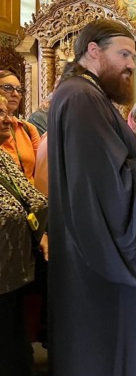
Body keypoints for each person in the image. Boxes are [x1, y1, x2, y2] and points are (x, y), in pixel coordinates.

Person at [47, 19, 136, 375]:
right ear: (93, 50)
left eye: (132, 57)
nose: (129, 64)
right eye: (123, 54)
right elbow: (104, 184)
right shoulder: (81, 97)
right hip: (94, 257)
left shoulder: (85, 93)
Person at [0, 96, 48, 376]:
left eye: (8, 112)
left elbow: (35, 200)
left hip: (15, 274)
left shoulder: (3, 158)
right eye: (0, 113)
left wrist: (42, 231)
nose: (9, 119)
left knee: (16, 349)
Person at [0, 70, 40, 181]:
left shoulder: (28, 129)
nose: (15, 94)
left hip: (28, 194)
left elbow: (40, 171)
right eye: (8, 88)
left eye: (19, 90)